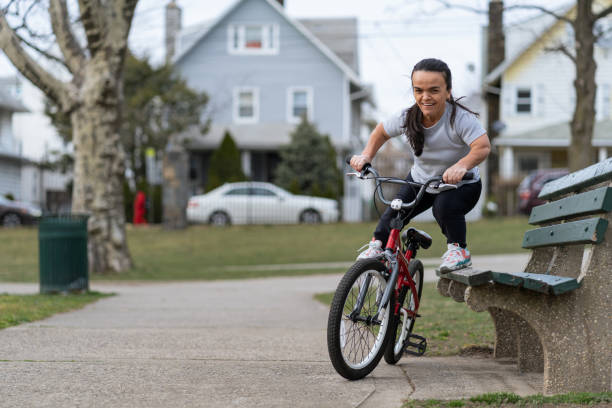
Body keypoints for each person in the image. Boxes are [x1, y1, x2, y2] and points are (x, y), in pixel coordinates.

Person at [350, 58, 490, 272]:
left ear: (448, 91)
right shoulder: (407, 117)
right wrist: (366, 155)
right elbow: (380, 132)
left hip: (461, 185)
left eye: (434, 90)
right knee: (394, 210)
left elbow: (482, 146)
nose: (425, 97)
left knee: (443, 207)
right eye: (419, 90)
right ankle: (379, 248)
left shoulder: (460, 118)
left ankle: (459, 251)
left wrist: (461, 166)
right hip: (421, 180)